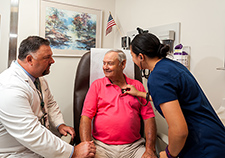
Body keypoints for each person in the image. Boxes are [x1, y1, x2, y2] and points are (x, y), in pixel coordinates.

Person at [126, 32, 225, 158]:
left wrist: (168, 154)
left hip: (203, 146)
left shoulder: (157, 77)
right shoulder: (171, 66)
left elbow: (179, 130)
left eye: (132, 56)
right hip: (216, 138)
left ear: (141, 57)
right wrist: (139, 93)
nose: (133, 60)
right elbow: (172, 99)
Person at [0, 36, 96, 158]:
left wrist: (59, 124)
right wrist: (73, 152)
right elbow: (32, 134)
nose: (52, 61)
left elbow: (50, 103)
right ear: (30, 60)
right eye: (47, 57)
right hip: (16, 153)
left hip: (36, 148)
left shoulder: (38, 79)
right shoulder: (9, 88)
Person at [80, 49, 157, 158]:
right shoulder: (97, 86)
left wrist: (150, 149)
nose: (105, 67)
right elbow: (86, 117)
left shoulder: (137, 86)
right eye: (104, 63)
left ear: (123, 64)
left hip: (133, 147)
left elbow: (149, 118)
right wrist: (86, 145)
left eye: (110, 63)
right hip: (102, 147)